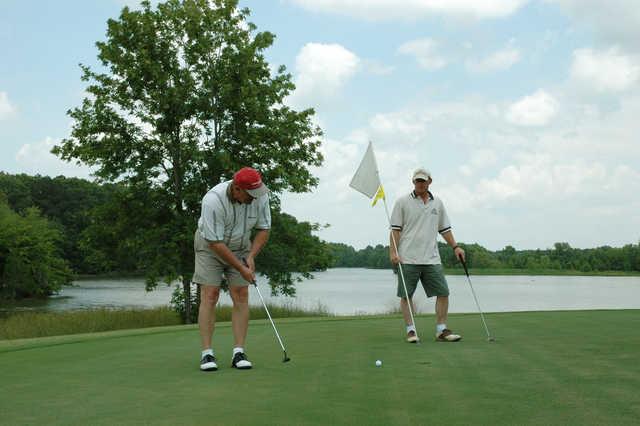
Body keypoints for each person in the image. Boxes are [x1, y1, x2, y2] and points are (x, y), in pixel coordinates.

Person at [193, 167, 271, 371]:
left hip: (240, 245)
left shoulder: (260, 197)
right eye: (250, 195)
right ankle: (207, 354)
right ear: (237, 189)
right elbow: (215, 243)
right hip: (210, 246)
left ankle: (239, 352)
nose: (255, 199)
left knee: (241, 293)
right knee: (210, 294)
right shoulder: (213, 200)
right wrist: (241, 268)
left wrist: (251, 256)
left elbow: (264, 229)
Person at [389, 167, 465, 343]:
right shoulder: (402, 202)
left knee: (443, 292)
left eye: (423, 181)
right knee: (406, 296)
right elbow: (395, 231)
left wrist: (456, 247)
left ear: (430, 181)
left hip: (431, 258)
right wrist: (393, 252)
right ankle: (411, 331)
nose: (420, 184)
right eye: (417, 181)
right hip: (407, 258)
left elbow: (444, 229)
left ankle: (441, 330)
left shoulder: (437, 203)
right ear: (413, 182)